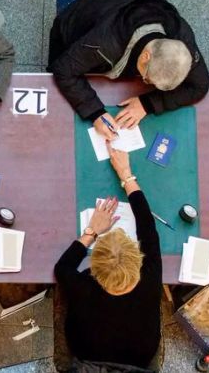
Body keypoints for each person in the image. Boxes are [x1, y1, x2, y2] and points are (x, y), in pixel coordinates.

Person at [48, 0, 209, 140]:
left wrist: (148, 103)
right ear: (146, 56)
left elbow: (200, 85)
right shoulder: (103, 44)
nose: (145, 83)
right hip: (77, 26)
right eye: (147, 78)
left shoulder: (182, 45)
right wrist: (95, 113)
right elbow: (63, 68)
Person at [54, 144, 162, 369]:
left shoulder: (83, 285)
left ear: (94, 268)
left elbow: (62, 268)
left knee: (60, 293)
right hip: (139, 360)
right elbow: (148, 229)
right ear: (137, 261)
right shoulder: (150, 276)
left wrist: (91, 232)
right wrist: (126, 176)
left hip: (85, 355)